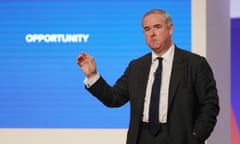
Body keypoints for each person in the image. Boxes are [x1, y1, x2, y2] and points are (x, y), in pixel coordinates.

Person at [76, 9, 219, 144]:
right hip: (141, 137)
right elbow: (114, 98)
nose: (152, 33)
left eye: (157, 27)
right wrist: (93, 75)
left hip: (180, 138)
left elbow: (210, 105)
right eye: (147, 29)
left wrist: (195, 136)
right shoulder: (136, 66)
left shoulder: (194, 64)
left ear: (170, 29)